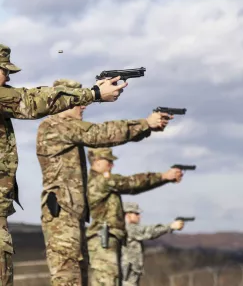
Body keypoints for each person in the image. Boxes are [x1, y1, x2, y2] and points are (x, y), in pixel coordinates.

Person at [0, 36, 128, 285]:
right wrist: (92, 94)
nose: (7, 79)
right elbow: (28, 101)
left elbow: (29, 97)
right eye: (4, 71)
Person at [37, 85, 172, 286]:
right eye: (76, 102)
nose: (82, 106)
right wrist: (145, 123)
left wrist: (145, 128)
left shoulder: (63, 128)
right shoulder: (57, 125)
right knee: (67, 276)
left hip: (70, 212)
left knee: (76, 275)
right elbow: (100, 133)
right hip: (63, 212)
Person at [85, 148, 183, 286]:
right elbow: (132, 183)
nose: (112, 165)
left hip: (107, 238)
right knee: (106, 282)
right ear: (97, 161)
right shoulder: (101, 181)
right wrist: (164, 176)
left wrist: (164, 179)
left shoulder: (99, 182)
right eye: (109, 161)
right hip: (103, 239)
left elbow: (133, 187)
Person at [122, 202, 184, 286]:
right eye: (136, 214)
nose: (139, 216)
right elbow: (149, 231)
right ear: (127, 214)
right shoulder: (128, 228)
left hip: (129, 275)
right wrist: (170, 226)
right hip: (126, 277)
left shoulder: (126, 228)